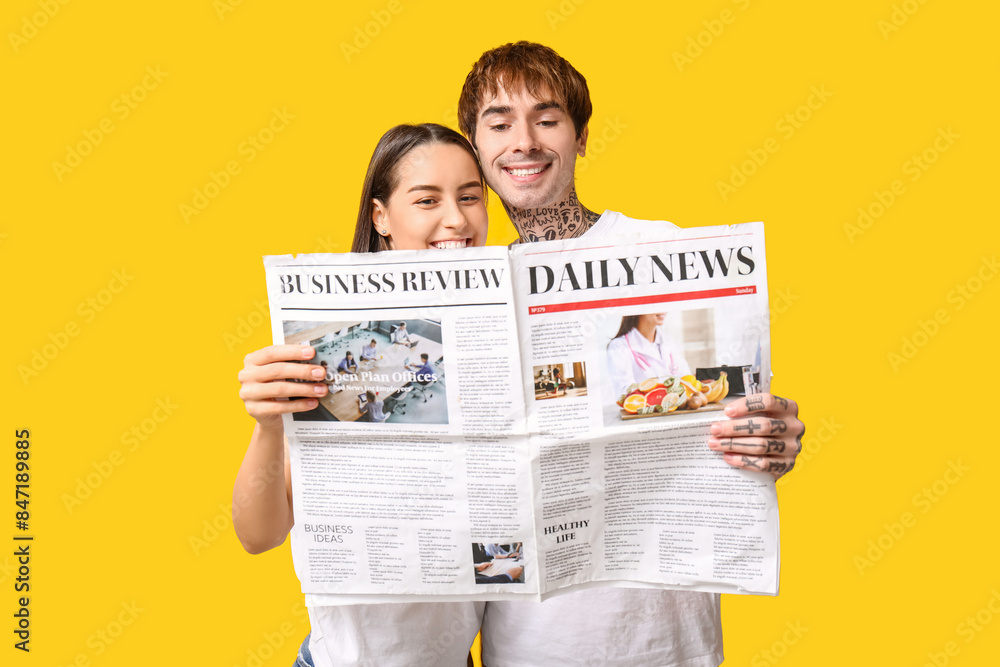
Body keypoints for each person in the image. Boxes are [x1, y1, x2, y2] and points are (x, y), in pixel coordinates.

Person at [457, 41, 806, 667]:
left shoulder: (661, 252)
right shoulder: (471, 292)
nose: (524, 141)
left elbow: (730, 413)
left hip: (667, 645)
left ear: (581, 136)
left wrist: (768, 436)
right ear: (475, 147)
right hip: (528, 647)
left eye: (547, 118)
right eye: (500, 122)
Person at [235, 122, 488, 667]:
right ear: (381, 218)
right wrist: (267, 425)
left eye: (470, 196)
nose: (457, 219)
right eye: (427, 200)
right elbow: (257, 536)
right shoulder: (317, 353)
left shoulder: (497, 337)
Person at [606, 313, 691, 398]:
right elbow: (624, 391)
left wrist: (702, 376)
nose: (664, 310)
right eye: (656, 304)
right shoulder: (619, 346)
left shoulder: (668, 341)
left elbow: (687, 378)